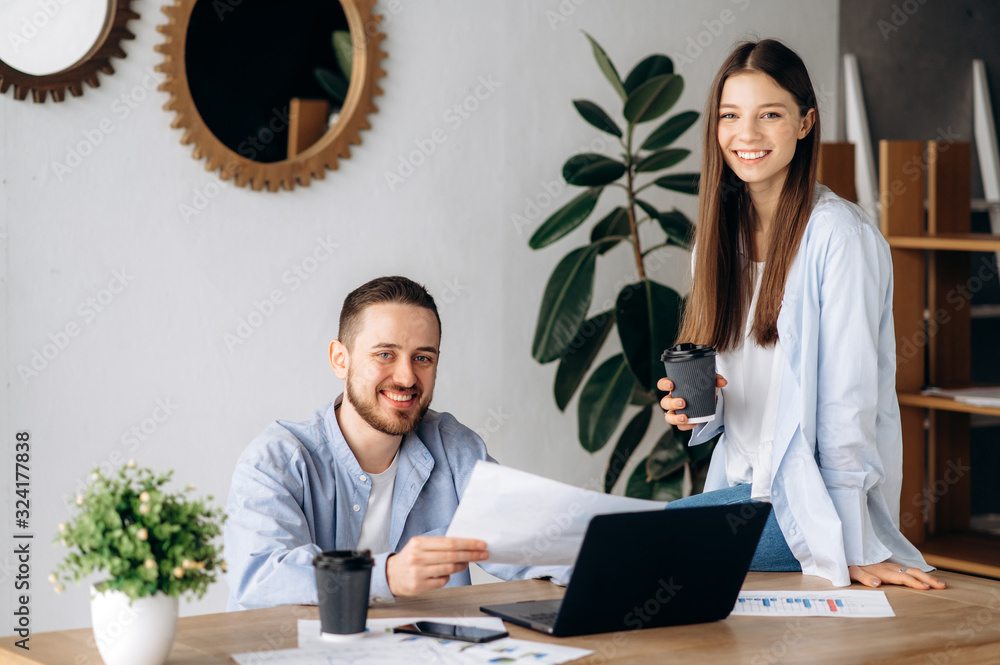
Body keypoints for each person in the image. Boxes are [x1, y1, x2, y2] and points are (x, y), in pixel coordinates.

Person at [658, 39, 945, 591]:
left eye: (770, 114)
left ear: (805, 122)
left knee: (633, 539)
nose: (747, 134)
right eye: (730, 116)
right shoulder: (715, 244)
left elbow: (848, 404)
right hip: (740, 488)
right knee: (633, 549)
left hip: (812, 505)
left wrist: (850, 546)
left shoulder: (838, 235)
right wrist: (696, 407)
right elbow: (740, 404)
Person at [224, 276, 568, 610]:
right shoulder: (277, 460)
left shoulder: (453, 448)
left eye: (423, 358)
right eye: (385, 354)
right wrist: (386, 575)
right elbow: (263, 574)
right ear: (340, 360)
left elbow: (533, 544)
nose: (406, 377)